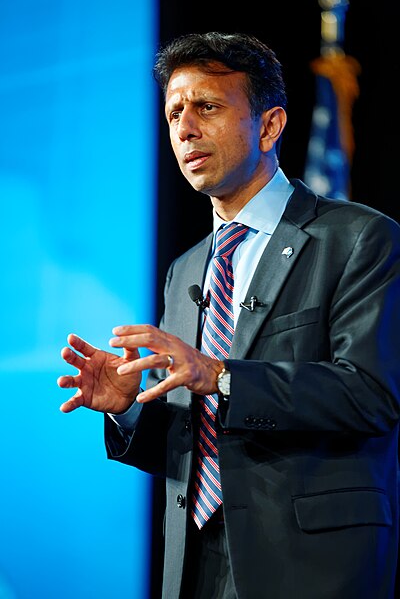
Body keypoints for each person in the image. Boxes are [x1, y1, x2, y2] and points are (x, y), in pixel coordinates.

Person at [57, 32, 400, 599]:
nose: (185, 128)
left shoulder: (358, 238)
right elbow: (198, 440)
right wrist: (127, 414)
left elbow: (371, 393)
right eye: (174, 113)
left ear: (269, 126)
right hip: (197, 567)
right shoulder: (186, 270)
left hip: (311, 567)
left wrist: (219, 376)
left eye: (207, 107)